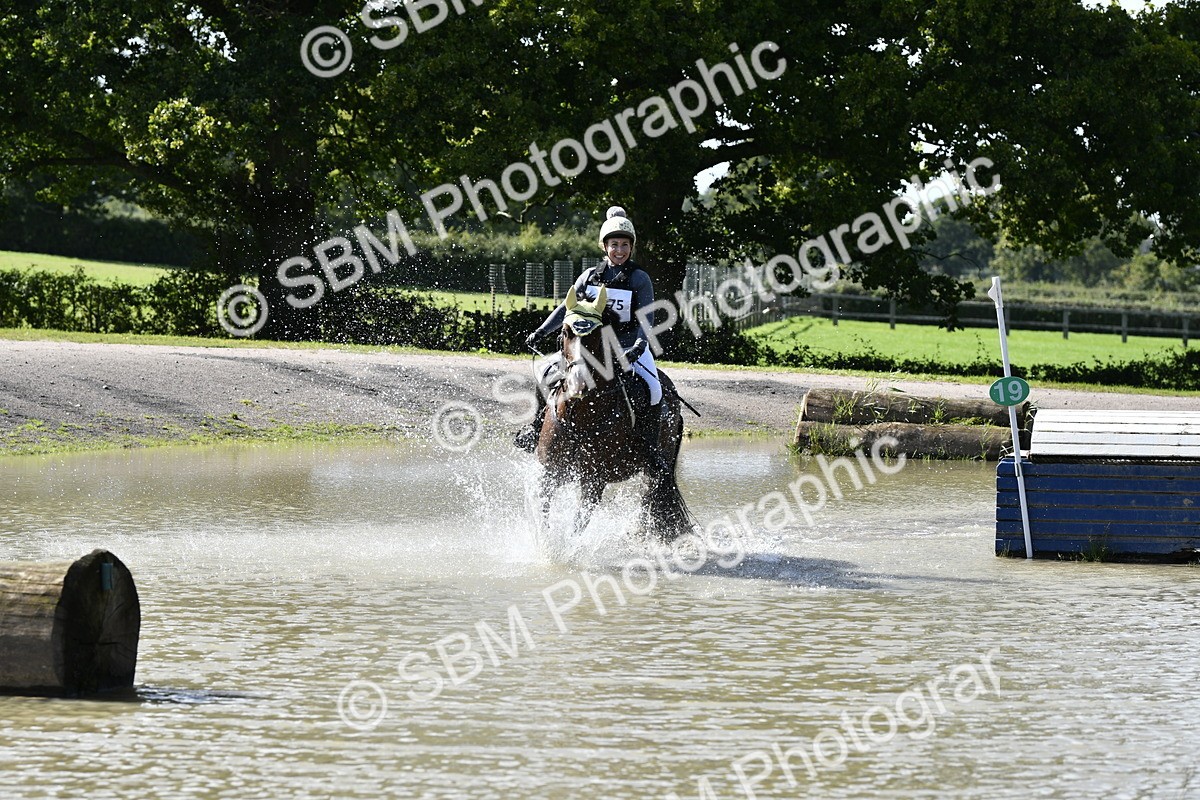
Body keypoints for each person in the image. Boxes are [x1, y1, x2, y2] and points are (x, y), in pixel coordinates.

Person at [514, 206, 665, 467]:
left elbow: (646, 319)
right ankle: (535, 427)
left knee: (654, 391)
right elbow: (566, 308)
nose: (619, 250)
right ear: (604, 247)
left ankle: (649, 448)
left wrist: (640, 345)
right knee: (544, 373)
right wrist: (542, 330)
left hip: (629, 347)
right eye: (614, 244)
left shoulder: (640, 279)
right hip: (590, 349)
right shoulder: (591, 277)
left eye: (625, 245)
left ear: (631, 247)